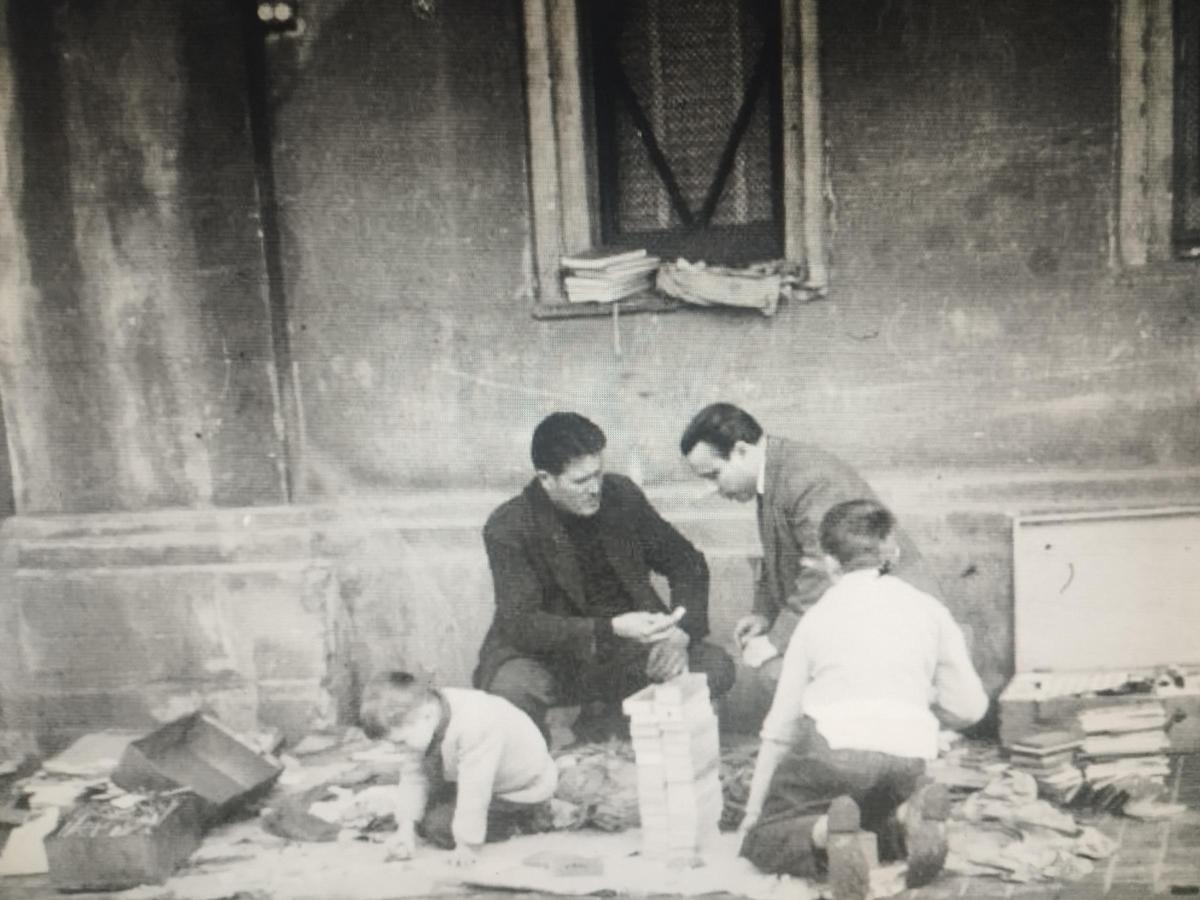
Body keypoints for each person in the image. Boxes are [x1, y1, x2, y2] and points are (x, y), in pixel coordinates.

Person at [736, 500, 989, 898]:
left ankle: (824, 833)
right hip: (906, 755)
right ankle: (908, 816)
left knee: (768, 836)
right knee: (872, 815)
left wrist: (754, 813)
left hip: (834, 750)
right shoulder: (929, 609)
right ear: (894, 553)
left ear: (828, 563)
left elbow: (779, 728)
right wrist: (921, 716)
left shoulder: (815, 618)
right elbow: (970, 706)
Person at [475, 411, 735, 741]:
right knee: (510, 689)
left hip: (627, 654)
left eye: (597, 474)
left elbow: (686, 562)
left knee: (714, 666)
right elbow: (523, 624)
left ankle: (614, 722)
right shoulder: (508, 527)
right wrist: (610, 627)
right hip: (550, 659)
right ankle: (547, 752)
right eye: (580, 482)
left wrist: (680, 633)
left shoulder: (620, 495)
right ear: (545, 478)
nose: (595, 489)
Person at [680, 402, 941, 691]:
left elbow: (823, 570)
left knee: (782, 674)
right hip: (856, 609)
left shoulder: (808, 479)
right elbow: (779, 554)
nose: (714, 489)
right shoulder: (775, 472)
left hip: (892, 619)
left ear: (742, 451)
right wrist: (764, 614)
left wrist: (776, 640)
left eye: (714, 475)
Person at [358, 670, 558, 867]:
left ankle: (526, 817)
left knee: (438, 827)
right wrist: (405, 829)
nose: (398, 750)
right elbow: (413, 774)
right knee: (422, 809)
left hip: (522, 787)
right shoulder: (427, 710)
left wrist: (467, 845)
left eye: (401, 742)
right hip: (483, 772)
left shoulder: (474, 724)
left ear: (426, 715)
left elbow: (475, 788)